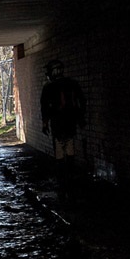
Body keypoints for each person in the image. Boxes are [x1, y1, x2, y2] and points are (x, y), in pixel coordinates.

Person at [40, 59, 87, 199]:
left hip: (57, 122)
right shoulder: (72, 84)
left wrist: (45, 123)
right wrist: (80, 118)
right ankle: (70, 176)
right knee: (70, 144)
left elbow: (44, 107)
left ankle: (62, 180)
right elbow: (81, 100)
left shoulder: (49, 87)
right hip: (71, 121)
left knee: (60, 148)